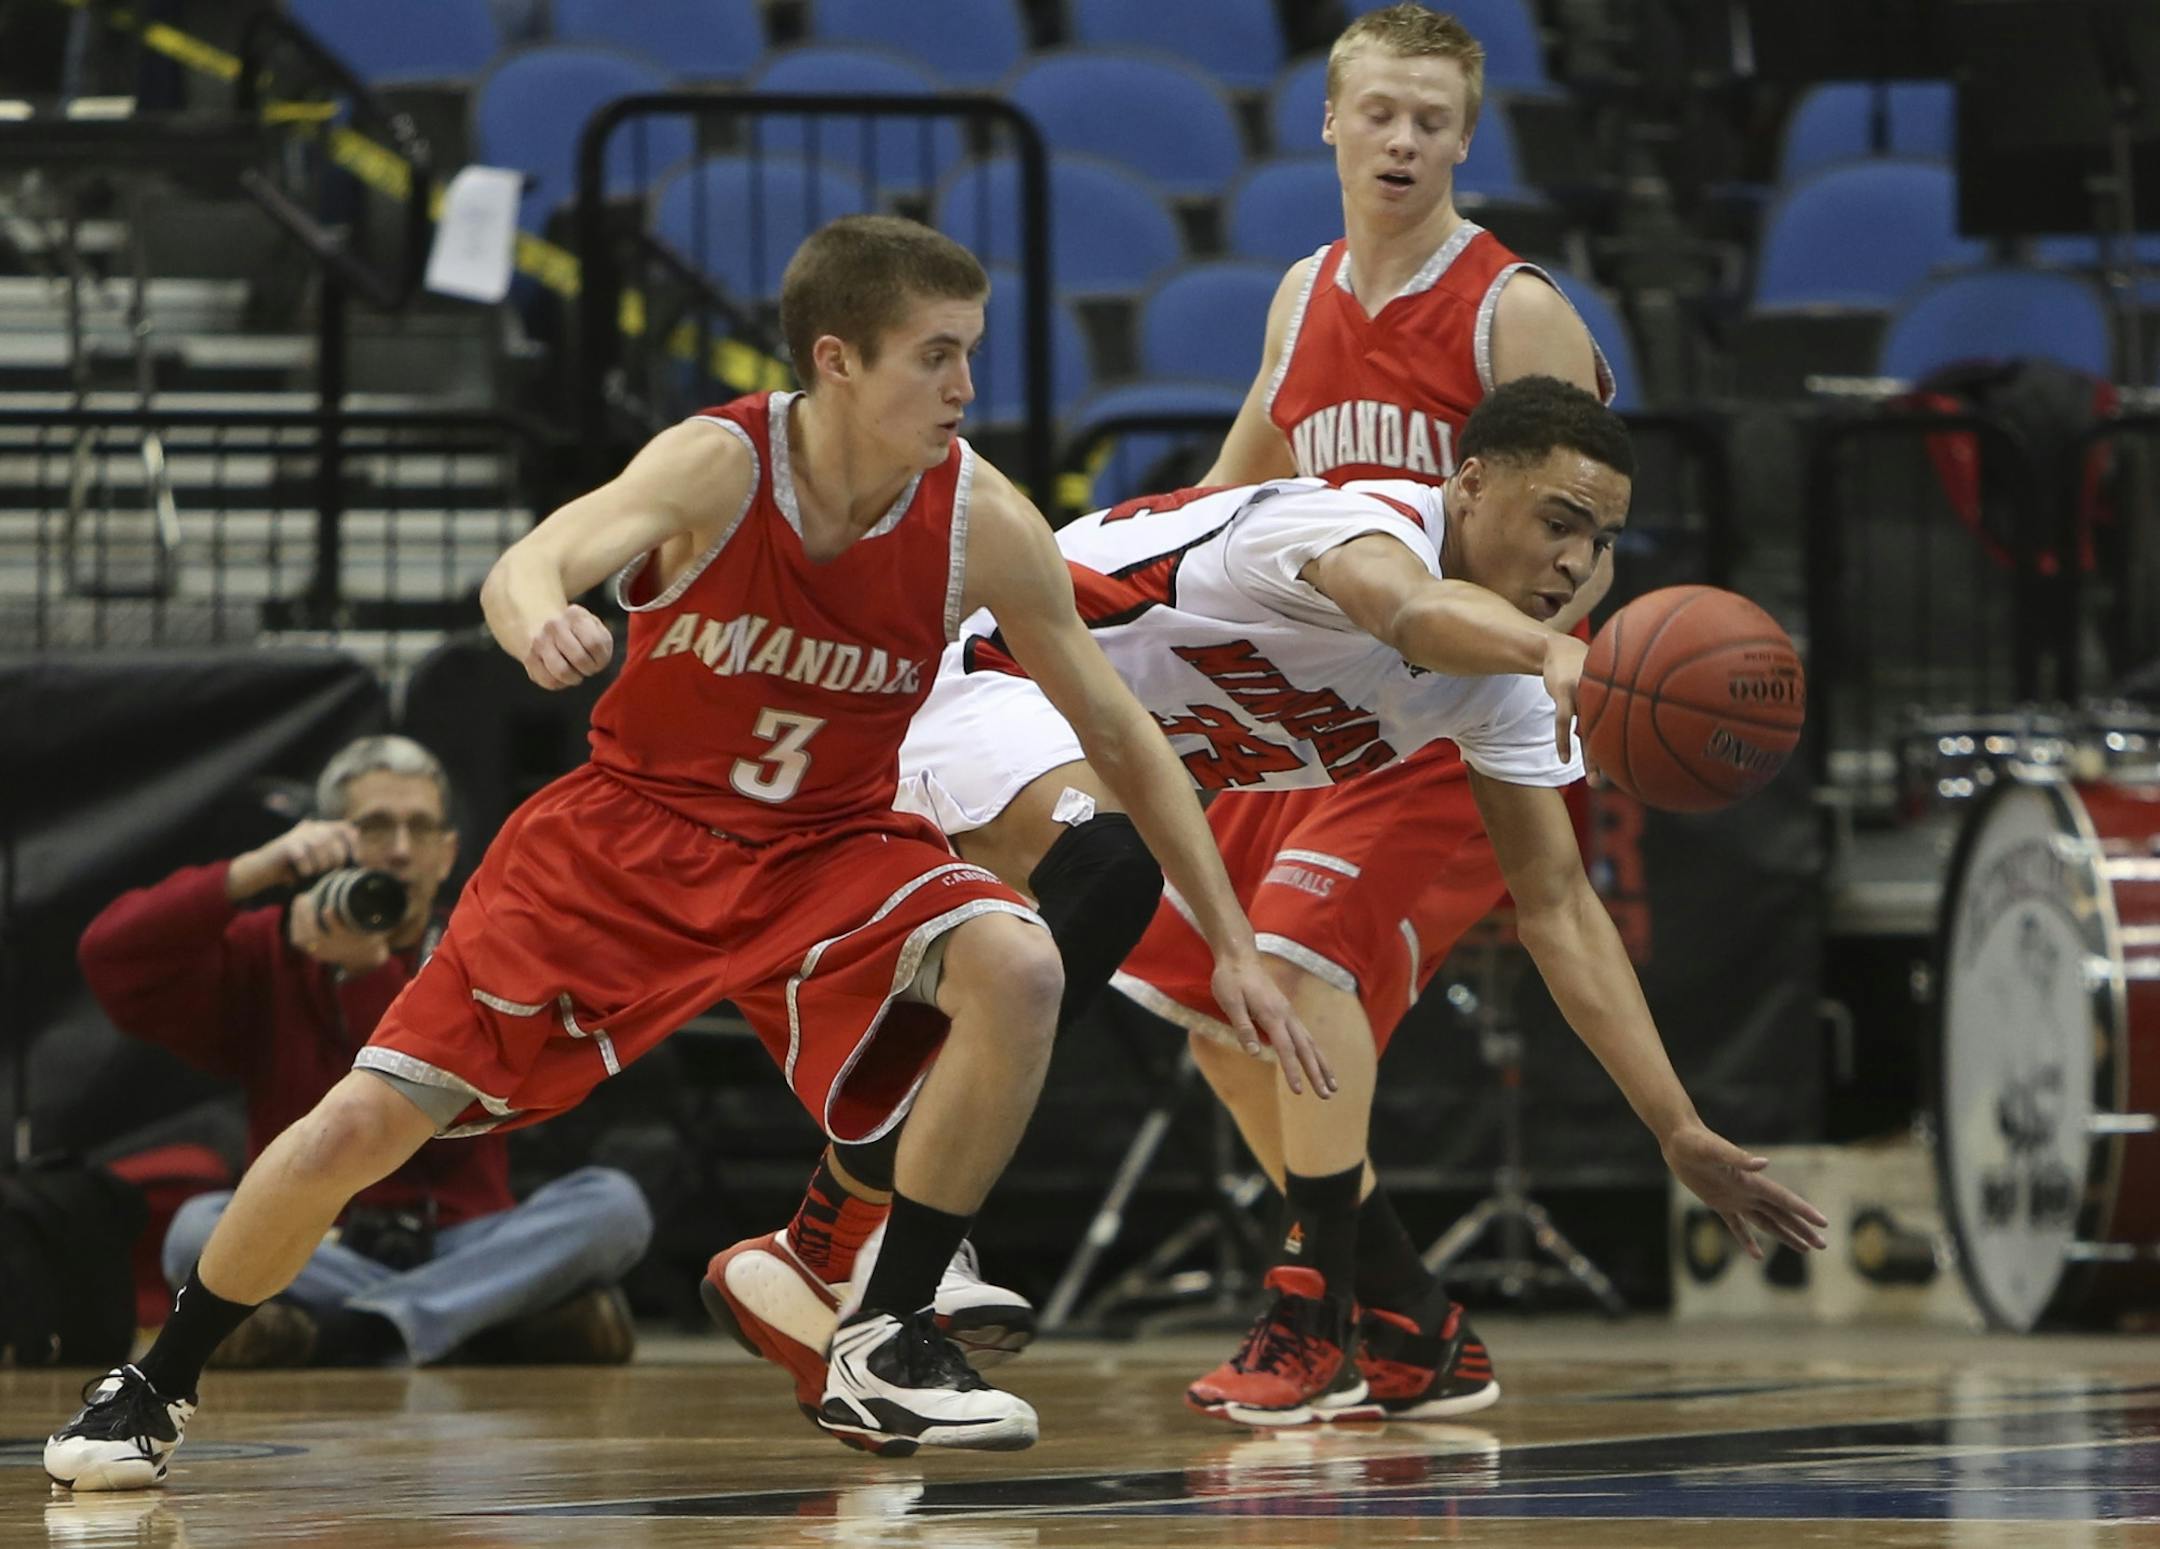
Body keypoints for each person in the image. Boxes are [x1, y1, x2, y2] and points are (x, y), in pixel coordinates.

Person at [45, 214, 1321, 1491]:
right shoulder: (723, 463)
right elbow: (536, 558)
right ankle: (156, 1379)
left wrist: (1230, 941)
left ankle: (886, 1328)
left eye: (969, 352)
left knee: (1020, 963)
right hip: (626, 841)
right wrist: (538, 618)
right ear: (836, 360)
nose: (965, 387)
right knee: (360, 1126)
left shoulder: (981, 516)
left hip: (826, 843)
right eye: (935, 355)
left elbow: (1121, 732)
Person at [710, 374, 1828, 1429]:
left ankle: (827, 1239)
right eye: (1559, 521)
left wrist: (1675, 1125)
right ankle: (889, 1317)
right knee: (1105, 879)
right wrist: (1556, 652)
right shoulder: (1352, 526)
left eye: (1604, 539)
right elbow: (1407, 614)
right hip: (977, 674)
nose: (1578, 560)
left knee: (1035, 978)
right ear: (1471, 482)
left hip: (1088, 752)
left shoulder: (1506, 685)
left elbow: (1559, 909)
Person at [1114, 1, 1625, 1424]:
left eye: (1432, 120)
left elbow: (1589, 532)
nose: (1403, 140)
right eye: (1381, 113)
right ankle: (1411, 1319)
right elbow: (1234, 492)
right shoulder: (1302, 292)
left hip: (1451, 710)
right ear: (1331, 122)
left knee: (1295, 971)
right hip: (1317, 705)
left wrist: (1539, 659)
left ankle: (1312, 1317)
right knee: (1223, 1012)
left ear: (1467, 138)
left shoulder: (1513, 308)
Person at [74, 735, 652, 1372]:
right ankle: (470, 1321)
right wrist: (255, 871)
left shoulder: (485, 945)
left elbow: (429, 1123)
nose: (400, 849)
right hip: (319, 1239)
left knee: (614, 1205)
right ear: (330, 840)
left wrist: (366, 977)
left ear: (447, 854)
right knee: (196, 1229)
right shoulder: (274, 946)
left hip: (465, 1237)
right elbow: (110, 958)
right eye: (376, 826)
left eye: (419, 828)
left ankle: (364, 1331)